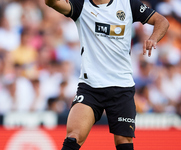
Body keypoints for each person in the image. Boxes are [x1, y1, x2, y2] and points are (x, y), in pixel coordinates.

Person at [45, 0, 169, 149]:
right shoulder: (81, 5)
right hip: (90, 87)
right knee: (73, 138)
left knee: (124, 143)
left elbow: (162, 21)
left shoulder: (128, 4)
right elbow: (51, 3)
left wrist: (153, 38)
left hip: (122, 88)